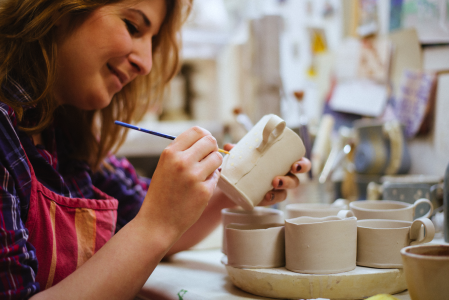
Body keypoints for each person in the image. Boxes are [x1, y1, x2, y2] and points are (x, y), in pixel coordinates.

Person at [0, 0, 311, 299]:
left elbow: (148, 225)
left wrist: (238, 183)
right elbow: (152, 227)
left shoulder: (64, 133)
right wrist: (157, 224)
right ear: (61, 8)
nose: (145, 63)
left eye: (152, 40)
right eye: (133, 26)